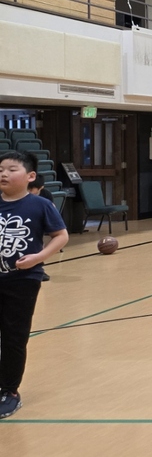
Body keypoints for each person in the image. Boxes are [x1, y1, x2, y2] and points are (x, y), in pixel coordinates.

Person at [0, 150, 69, 419]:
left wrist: (38, 258)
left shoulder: (40, 205)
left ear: (30, 176)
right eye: (1, 169)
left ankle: (10, 391)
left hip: (23, 281)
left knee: (13, 337)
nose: (4, 174)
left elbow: (60, 236)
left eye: (11, 169)